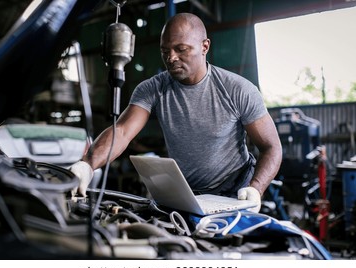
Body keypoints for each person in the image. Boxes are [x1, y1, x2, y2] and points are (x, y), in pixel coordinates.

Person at [70, 12, 282, 213]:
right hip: (186, 194)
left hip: (236, 192)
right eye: (165, 51)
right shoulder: (153, 88)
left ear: (204, 46)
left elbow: (271, 147)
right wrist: (87, 164)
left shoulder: (238, 90)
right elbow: (123, 132)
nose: (171, 58)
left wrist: (256, 188)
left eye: (181, 49)